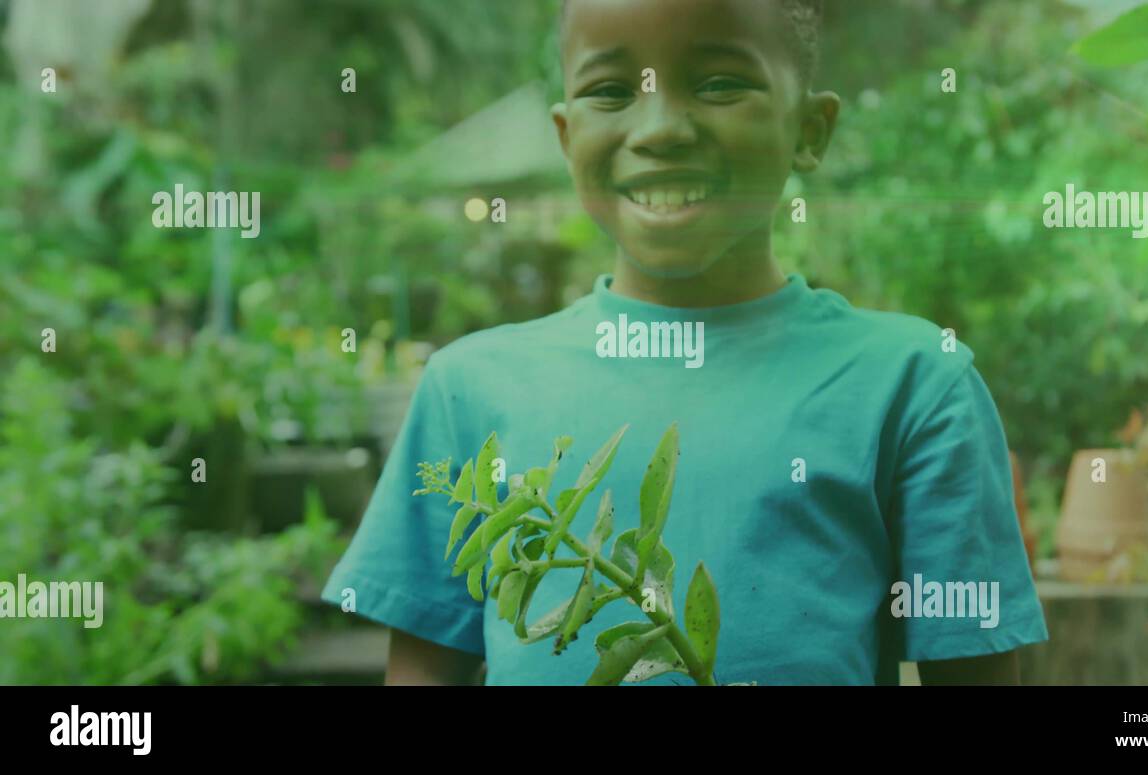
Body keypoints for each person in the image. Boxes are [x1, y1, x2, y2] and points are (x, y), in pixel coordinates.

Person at [322, 0, 1047, 685]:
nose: (662, 128)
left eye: (721, 82)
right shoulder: (467, 391)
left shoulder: (915, 388)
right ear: (567, 134)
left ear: (810, 129)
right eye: (610, 90)